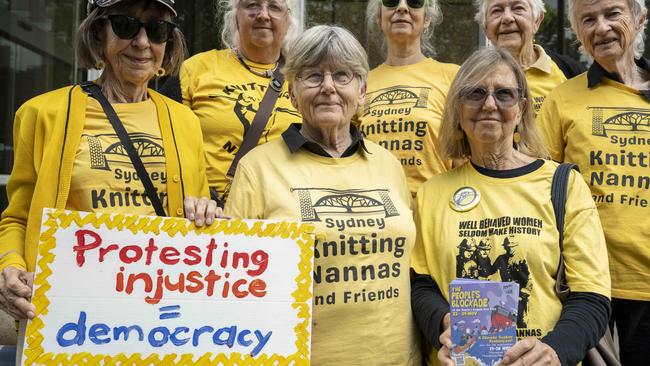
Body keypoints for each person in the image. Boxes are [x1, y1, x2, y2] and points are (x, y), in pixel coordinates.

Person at [0, 0, 218, 320]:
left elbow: (195, 215)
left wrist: (208, 215)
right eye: (126, 25)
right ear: (98, 33)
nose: (142, 42)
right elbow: (18, 218)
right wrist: (10, 264)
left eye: (157, 30)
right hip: (72, 313)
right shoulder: (41, 114)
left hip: (162, 312)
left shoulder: (186, 122)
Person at [226, 25, 421, 364]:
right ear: (291, 92)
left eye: (342, 76)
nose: (328, 87)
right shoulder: (256, 168)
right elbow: (235, 285)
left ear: (362, 90)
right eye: (313, 76)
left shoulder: (388, 164)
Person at [410, 47, 611, 366]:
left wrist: (554, 350)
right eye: (475, 93)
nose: (489, 104)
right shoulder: (432, 194)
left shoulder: (563, 184)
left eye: (504, 94)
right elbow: (421, 286)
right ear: (458, 109)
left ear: (521, 109)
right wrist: (443, 324)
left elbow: (592, 295)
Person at [537, 0, 650, 362]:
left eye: (612, 14)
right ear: (580, 35)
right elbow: (537, 186)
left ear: (639, 19)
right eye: (588, 19)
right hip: (586, 286)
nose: (601, 27)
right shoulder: (562, 98)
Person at [177, 0, 302, 203]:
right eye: (252, 5)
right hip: (208, 212)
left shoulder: (305, 78)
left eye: (274, 7)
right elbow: (171, 143)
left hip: (282, 210)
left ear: (288, 20)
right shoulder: (197, 68)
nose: (263, 14)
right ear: (235, 16)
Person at [357, 0, 459, 195]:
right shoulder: (361, 84)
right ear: (379, 17)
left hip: (434, 206)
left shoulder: (453, 77)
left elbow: (467, 153)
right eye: (390, 2)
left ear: (427, 18)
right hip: (377, 210)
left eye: (414, 2)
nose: (402, 7)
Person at [474, 0, 584, 113]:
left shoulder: (570, 72)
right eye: (497, 10)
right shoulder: (472, 77)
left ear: (537, 21)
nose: (507, 18)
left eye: (518, 8)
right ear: (485, 27)